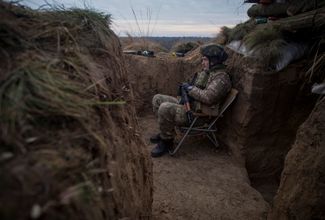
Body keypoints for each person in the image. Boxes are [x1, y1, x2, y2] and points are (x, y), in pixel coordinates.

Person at [150, 43, 232, 157]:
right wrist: (187, 87)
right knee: (157, 99)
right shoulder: (208, 73)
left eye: (205, 60)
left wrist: (190, 88)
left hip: (198, 116)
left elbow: (208, 97)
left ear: (214, 61)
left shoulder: (221, 78)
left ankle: (167, 142)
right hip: (189, 107)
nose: (202, 62)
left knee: (165, 107)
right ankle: (166, 132)